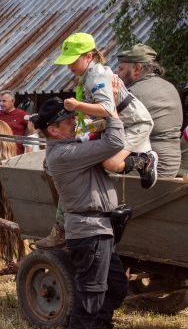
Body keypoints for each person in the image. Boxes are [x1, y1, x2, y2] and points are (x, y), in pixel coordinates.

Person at [31, 97, 128, 329]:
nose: (75, 122)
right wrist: (108, 110)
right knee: (90, 296)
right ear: (53, 130)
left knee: (117, 286)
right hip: (89, 231)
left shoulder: (72, 147)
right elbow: (113, 143)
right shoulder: (62, 154)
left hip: (100, 228)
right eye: (68, 121)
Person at [36, 33, 158, 248]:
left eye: (73, 60)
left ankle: (145, 160)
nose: (70, 66)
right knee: (72, 161)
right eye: (68, 62)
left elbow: (107, 109)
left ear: (89, 56)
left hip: (133, 124)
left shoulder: (98, 75)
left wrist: (77, 106)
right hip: (110, 124)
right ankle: (61, 226)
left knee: (110, 163)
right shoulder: (87, 75)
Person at [116, 43, 183, 178]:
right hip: (172, 163)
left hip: (151, 168)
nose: (117, 74)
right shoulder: (169, 86)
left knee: (94, 169)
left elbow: (112, 126)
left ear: (137, 69)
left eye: (121, 69)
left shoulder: (133, 94)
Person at [0, 90, 28, 155]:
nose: (1, 104)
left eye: (4, 101)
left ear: (12, 101)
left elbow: (35, 128)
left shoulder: (22, 114)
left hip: (16, 154)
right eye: (0, 101)